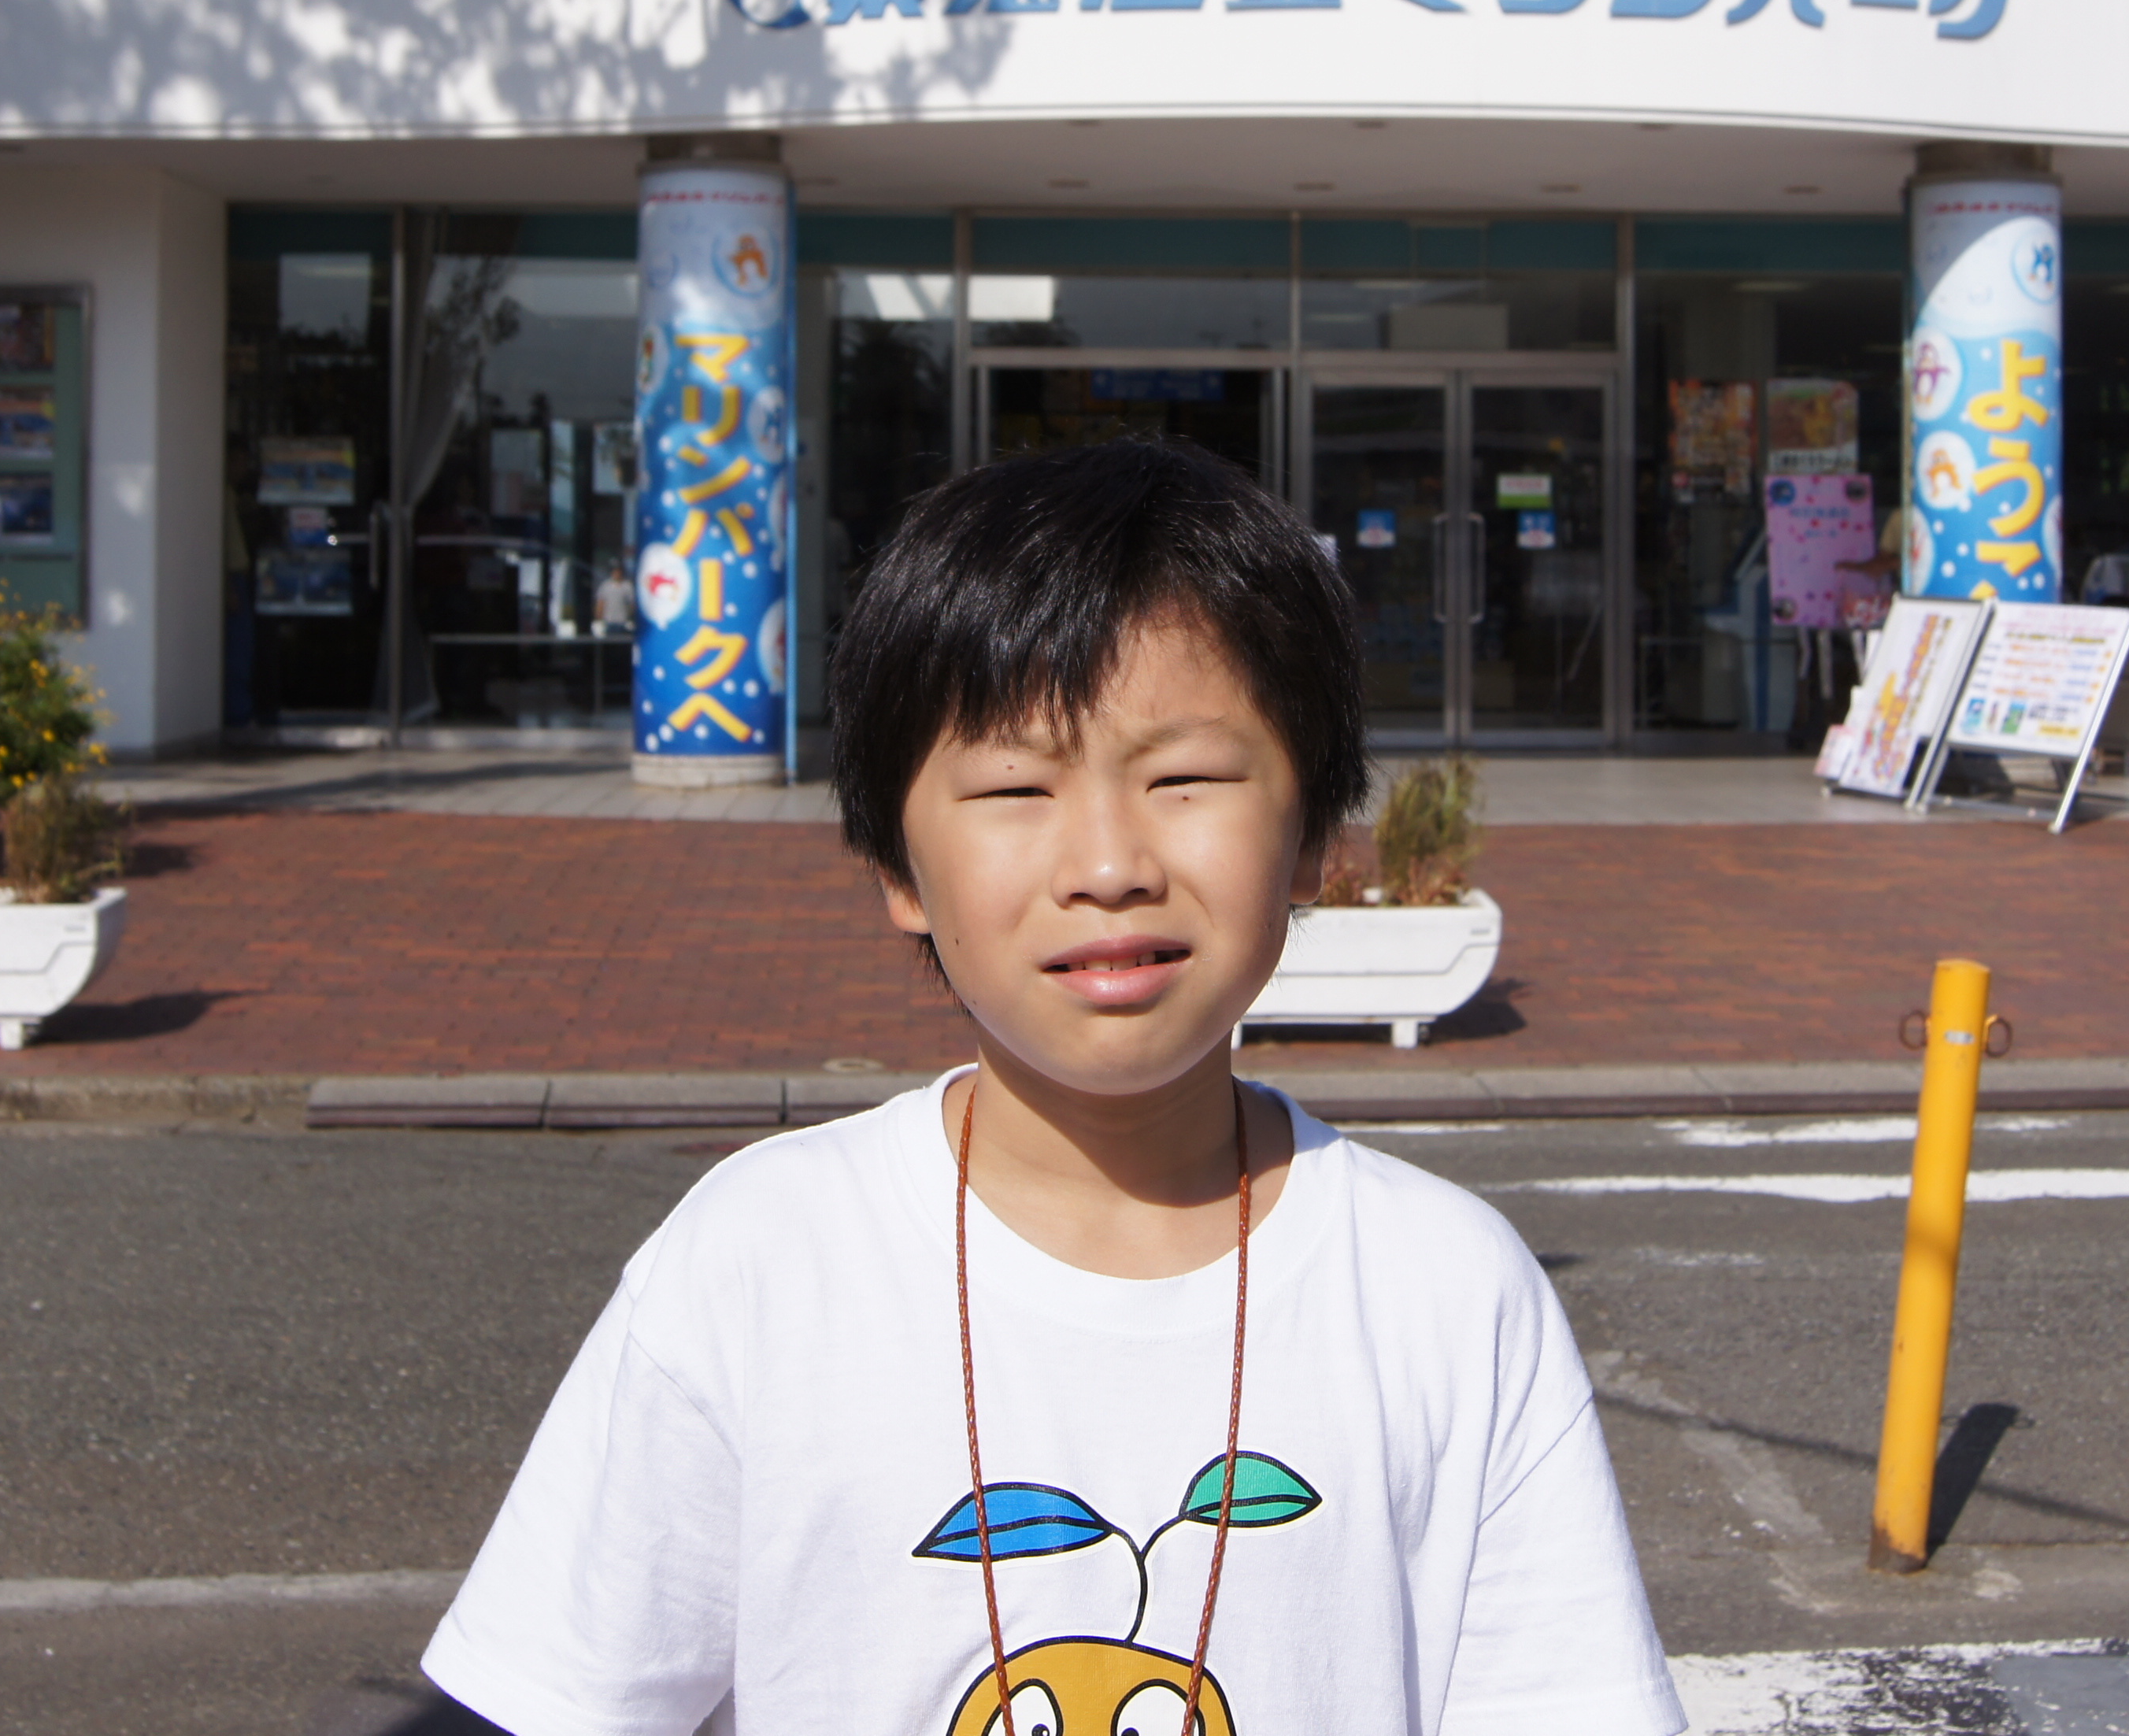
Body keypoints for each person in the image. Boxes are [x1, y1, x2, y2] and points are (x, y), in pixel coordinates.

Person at [421, 439, 1681, 1736]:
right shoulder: (755, 1262)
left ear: (1310, 836)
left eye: (1183, 776)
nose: (1107, 862)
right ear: (897, 865)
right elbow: (546, 1692)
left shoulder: (1445, 1289)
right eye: (1015, 785)